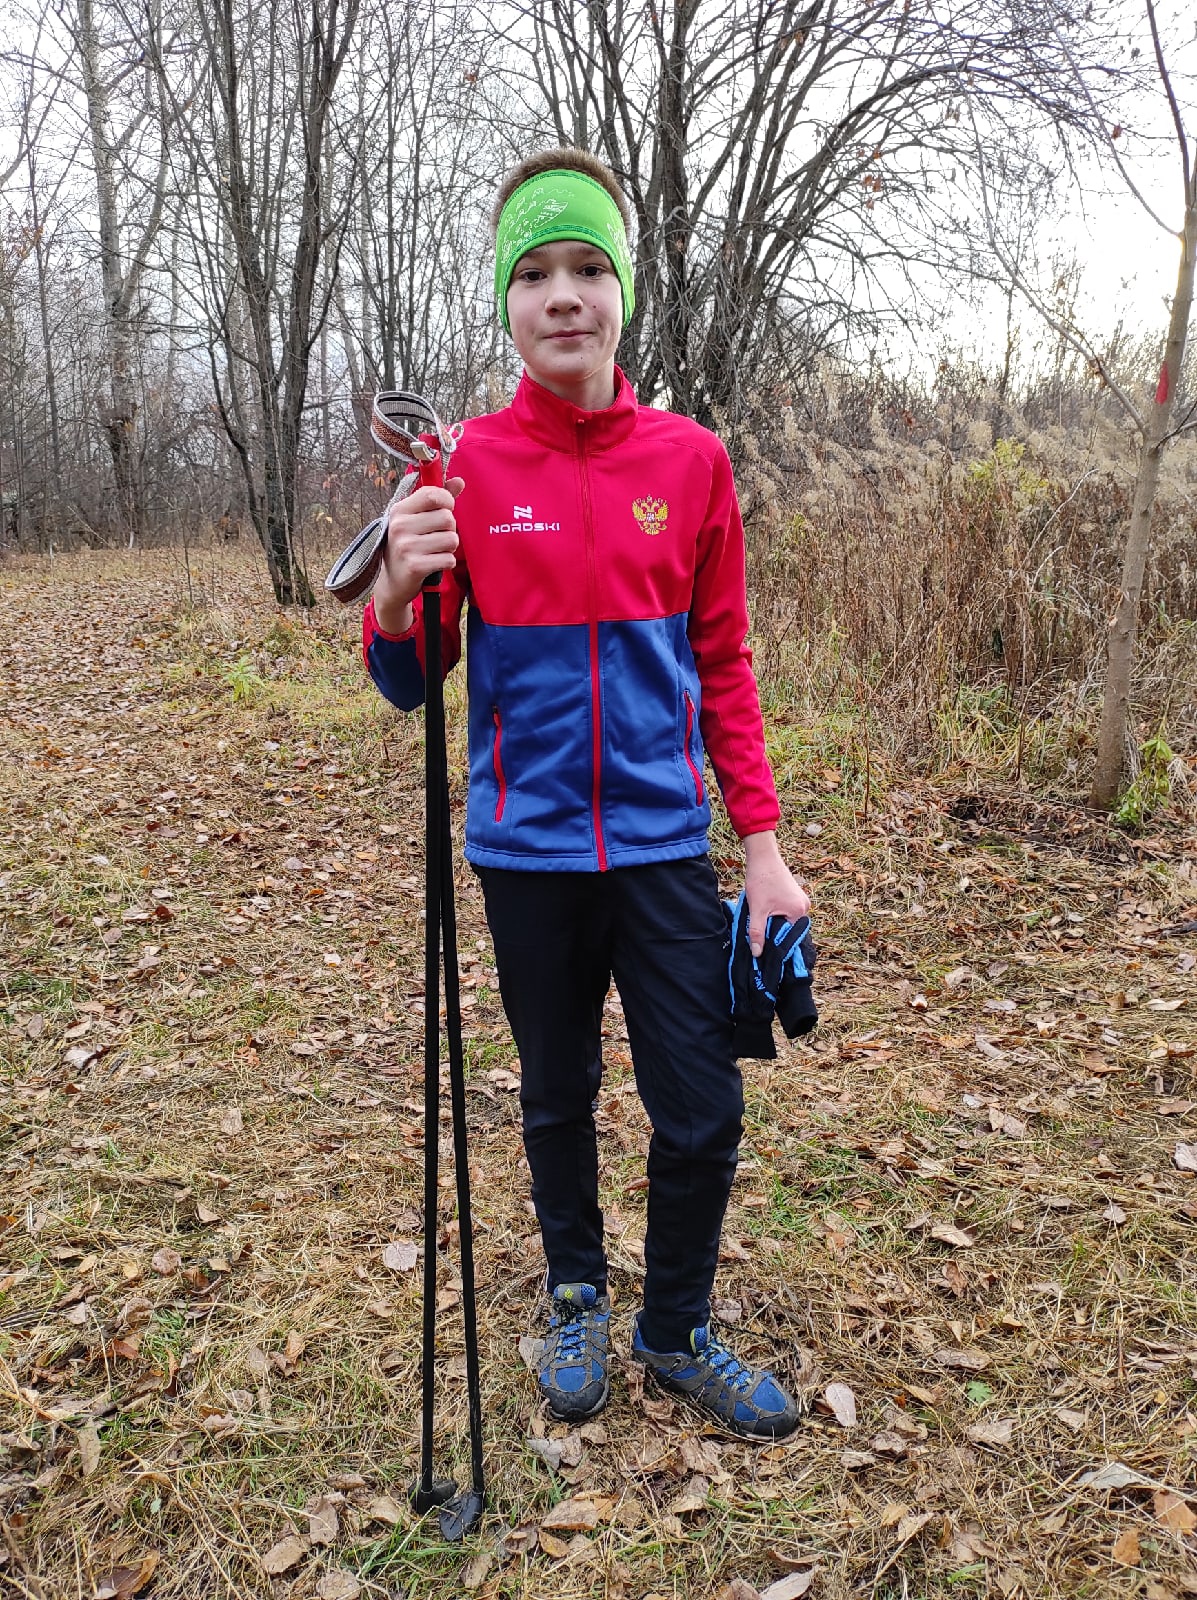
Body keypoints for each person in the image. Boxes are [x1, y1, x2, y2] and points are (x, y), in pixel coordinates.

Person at [362, 149, 810, 1441]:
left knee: (702, 1106)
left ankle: (672, 1327)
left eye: (588, 268)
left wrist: (762, 848)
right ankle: (575, 1294)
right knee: (555, 1092)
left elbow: (723, 662)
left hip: (664, 846)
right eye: (536, 273)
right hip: (528, 851)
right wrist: (396, 587)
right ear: (508, 302)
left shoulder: (693, 461)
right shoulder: (462, 466)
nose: (564, 294)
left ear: (623, 291)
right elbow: (408, 679)